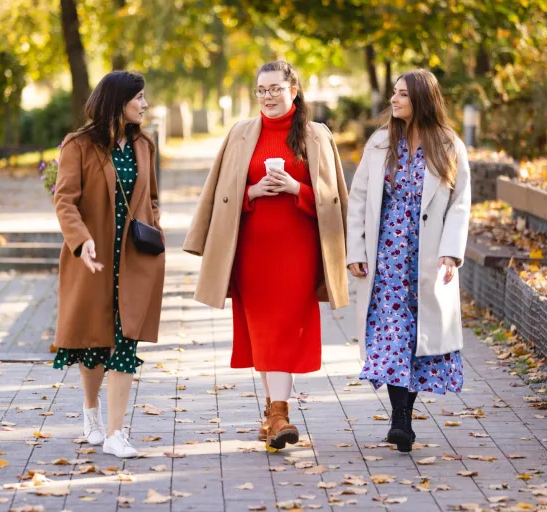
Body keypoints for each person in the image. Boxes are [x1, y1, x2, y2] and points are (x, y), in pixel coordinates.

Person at [184, 61, 349, 451]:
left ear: (293, 89)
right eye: (261, 90)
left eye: (275, 88)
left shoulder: (316, 135)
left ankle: (278, 414)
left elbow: (333, 200)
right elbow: (221, 195)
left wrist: (296, 188)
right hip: (251, 253)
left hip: (298, 252)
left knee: (285, 330)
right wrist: (252, 194)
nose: (268, 96)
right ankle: (274, 414)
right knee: (262, 332)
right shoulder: (241, 134)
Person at [346, 69, 471, 453]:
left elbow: (460, 204)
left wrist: (451, 252)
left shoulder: (449, 145)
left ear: (422, 99)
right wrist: (356, 250)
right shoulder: (381, 142)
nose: (394, 100)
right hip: (386, 259)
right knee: (392, 335)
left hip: (429, 259)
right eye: (394, 94)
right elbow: (359, 198)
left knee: (418, 338)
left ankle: (404, 416)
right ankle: (400, 419)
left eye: (402, 94)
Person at [53, 71, 165, 459]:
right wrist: (81, 241)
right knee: (93, 344)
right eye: (139, 98)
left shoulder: (145, 145)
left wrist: (155, 227)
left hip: (134, 260)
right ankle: (91, 411)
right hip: (93, 259)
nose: (145, 104)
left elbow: (151, 198)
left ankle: (117, 433)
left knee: (124, 343)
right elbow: (64, 200)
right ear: (118, 102)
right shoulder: (78, 145)